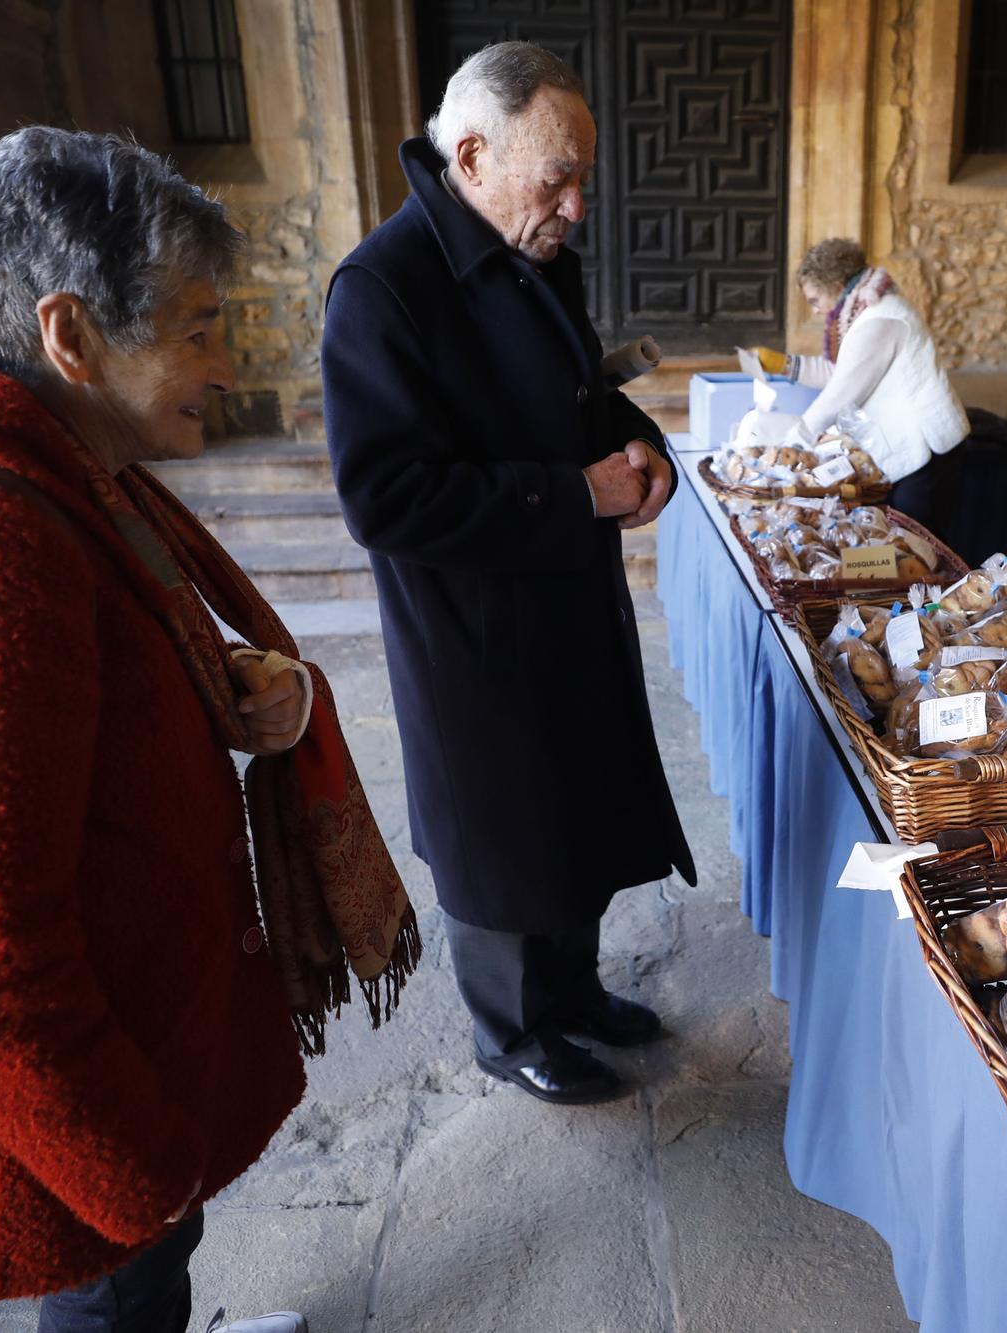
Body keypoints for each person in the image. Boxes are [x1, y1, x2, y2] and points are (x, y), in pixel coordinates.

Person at [0, 128, 418, 1332]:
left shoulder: (55, 471)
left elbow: (82, 686)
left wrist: (222, 685)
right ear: (70, 334)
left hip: (130, 1035)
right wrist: (140, 1172)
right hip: (59, 1119)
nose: (225, 366)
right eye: (196, 329)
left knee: (143, 1286)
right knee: (112, 1291)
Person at [320, 42, 695, 1106]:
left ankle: (570, 996)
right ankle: (510, 1027)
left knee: (570, 812)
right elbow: (382, 499)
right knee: (504, 833)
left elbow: (575, 396)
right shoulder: (382, 288)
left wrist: (632, 440)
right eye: (557, 179)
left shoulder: (530, 251)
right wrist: (576, 495)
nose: (576, 207)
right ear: (472, 155)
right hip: (472, 631)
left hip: (563, 603)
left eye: (583, 179)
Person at [746, 238, 969, 523]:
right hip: (919, 449)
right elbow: (842, 374)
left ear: (837, 288)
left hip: (927, 451)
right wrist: (783, 364)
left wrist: (786, 449)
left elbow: (839, 398)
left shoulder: (879, 319)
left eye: (815, 300)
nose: (814, 310)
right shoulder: (866, 313)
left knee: (920, 547)